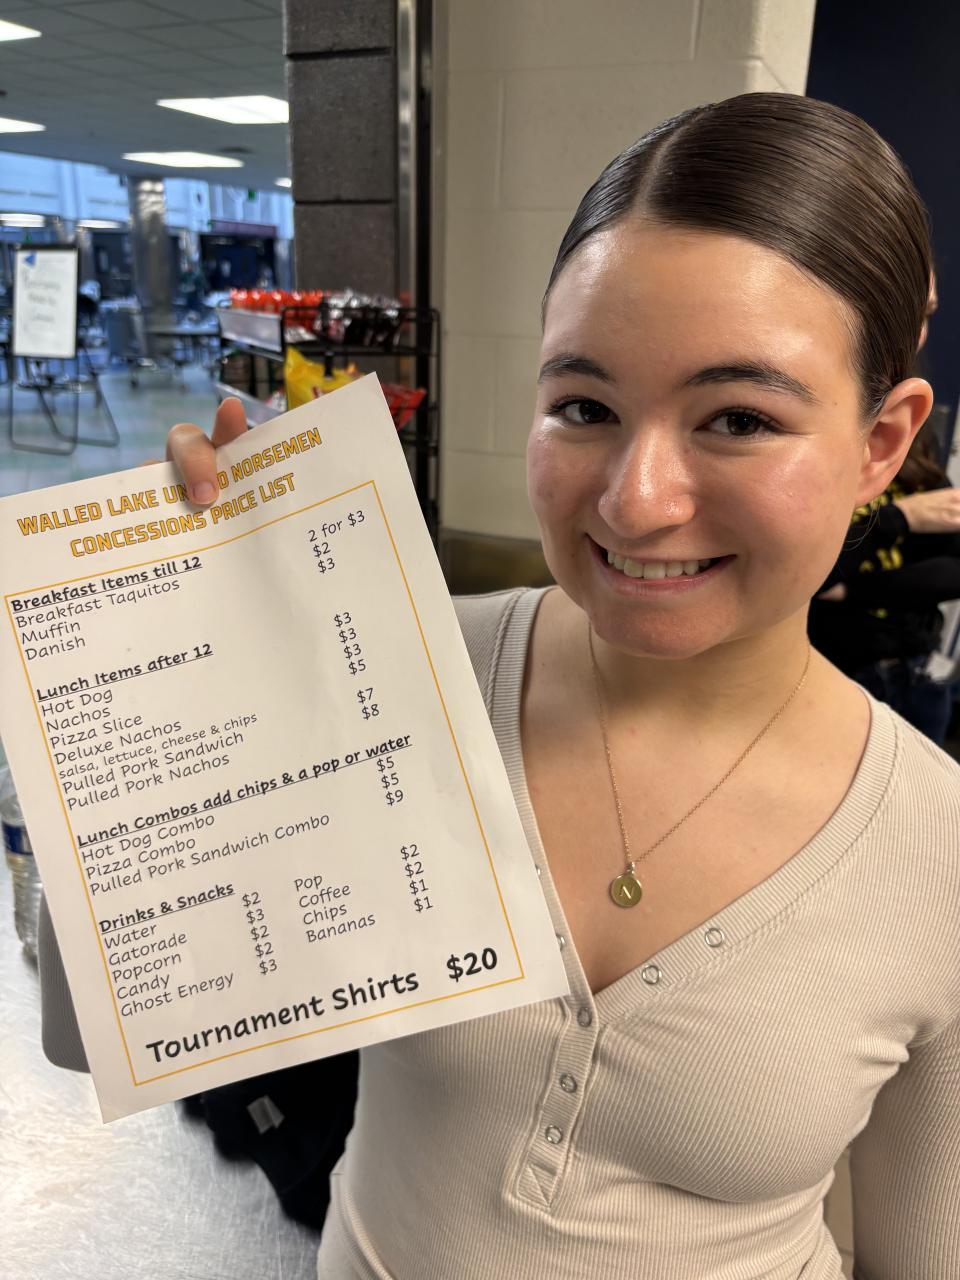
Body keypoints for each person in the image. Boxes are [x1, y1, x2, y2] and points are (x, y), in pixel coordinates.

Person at [39, 94, 959, 1279]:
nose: (637, 499)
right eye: (585, 406)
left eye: (738, 417)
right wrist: (172, 677)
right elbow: (93, 1022)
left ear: (883, 442)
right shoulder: (398, 672)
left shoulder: (933, 848)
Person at [809, 419, 960, 744]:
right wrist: (898, 517)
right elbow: (813, 579)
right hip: (833, 670)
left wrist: (853, 590)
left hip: (914, 671)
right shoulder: (819, 480)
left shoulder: (927, 479)